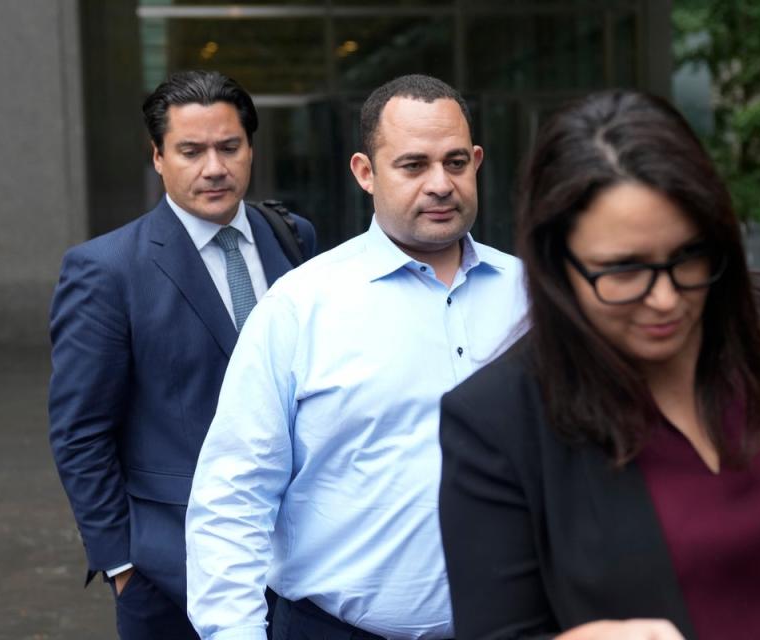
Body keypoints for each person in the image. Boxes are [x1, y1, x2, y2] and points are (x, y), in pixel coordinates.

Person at [438, 90, 760, 640]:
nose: (666, 300)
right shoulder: (497, 419)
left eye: (689, 256)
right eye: (623, 270)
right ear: (557, 264)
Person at [185, 74, 528, 640]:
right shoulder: (301, 306)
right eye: (413, 166)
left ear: (478, 162)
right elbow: (234, 494)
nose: (440, 184)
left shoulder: (532, 297)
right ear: (365, 173)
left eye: (456, 162)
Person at [48, 70, 316, 640]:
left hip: (301, 554)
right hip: (172, 570)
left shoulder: (293, 238)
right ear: (159, 158)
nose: (214, 167)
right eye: (190, 151)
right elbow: (79, 432)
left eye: (229, 147)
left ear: (250, 148)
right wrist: (122, 564)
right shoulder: (106, 270)